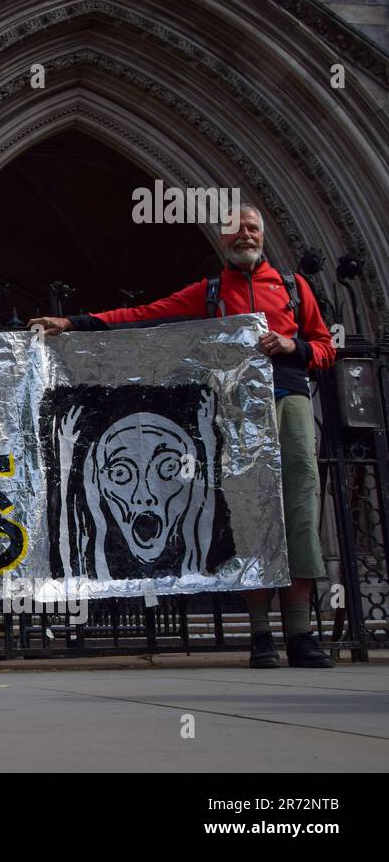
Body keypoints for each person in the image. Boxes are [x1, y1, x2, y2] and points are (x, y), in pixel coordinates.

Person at [30, 205, 336, 668]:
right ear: (222, 240)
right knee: (251, 519)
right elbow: (143, 315)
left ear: (263, 235)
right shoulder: (210, 293)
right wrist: (75, 323)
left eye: (252, 228)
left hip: (287, 401)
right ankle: (260, 636)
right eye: (236, 230)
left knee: (299, 509)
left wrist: (295, 346)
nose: (245, 236)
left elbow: (328, 348)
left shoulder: (294, 288)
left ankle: (301, 633)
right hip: (235, 412)